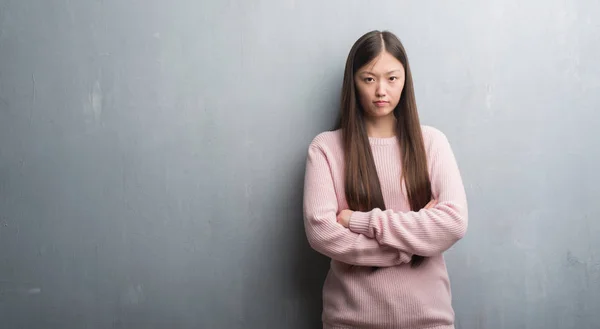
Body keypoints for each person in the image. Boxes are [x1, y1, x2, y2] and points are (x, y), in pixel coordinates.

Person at [302, 30, 469, 329]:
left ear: (405, 80)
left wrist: (360, 221)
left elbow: (454, 222)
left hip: (429, 320)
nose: (381, 90)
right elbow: (321, 233)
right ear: (353, 82)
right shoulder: (326, 148)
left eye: (392, 78)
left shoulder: (432, 142)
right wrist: (406, 247)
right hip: (350, 321)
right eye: (369, 78)